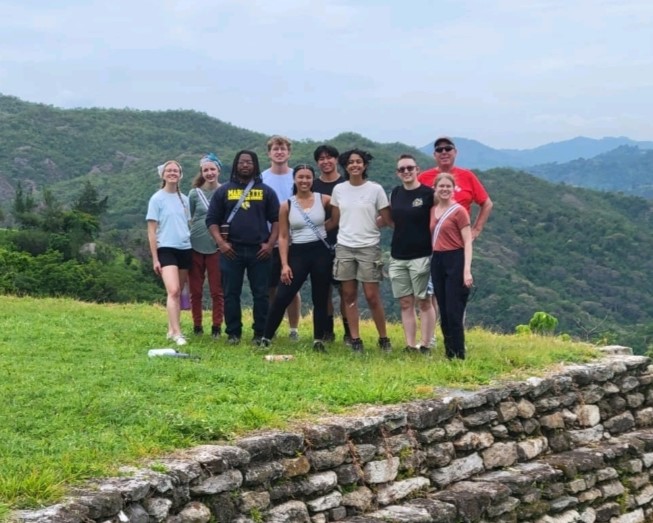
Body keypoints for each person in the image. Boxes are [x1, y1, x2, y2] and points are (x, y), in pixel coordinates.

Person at [206, 151, 280, 345]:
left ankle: (260, 333)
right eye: (241, 162)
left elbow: (277, 220)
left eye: (249, 162)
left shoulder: (266, 191)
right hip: (232, 250)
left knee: (261, 294)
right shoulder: (223, 191)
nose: (245, 165)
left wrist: (270, 244)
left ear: (255, 165)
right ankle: (233, 333)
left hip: (260, 250)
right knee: (231, 293)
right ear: (235, 165)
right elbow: (211, 220)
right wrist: (221, 244)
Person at [261, 165, 334, 352]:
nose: (304, 181)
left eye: (308, 177)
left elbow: (337, 218)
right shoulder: (287, 205)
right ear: (294, 179)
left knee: (320, 297)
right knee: (282, 296)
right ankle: (266, 337)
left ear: (313, 179)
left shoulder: (324, 199)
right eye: (300, 177)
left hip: (320, 253)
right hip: (298, 254)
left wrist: (323, 228)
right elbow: (283, 236)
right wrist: (285, 265)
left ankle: (318, 339)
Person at [330, 149, 392, 353]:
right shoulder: (339, 190)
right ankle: (355, 338)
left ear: (365, 165)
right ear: (345, 166)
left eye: (358, 162)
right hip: (345, 247)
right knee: (348, 295)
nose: (354, 165)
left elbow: (386, 217)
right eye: (350, 162)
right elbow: (336, 219)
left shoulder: (375, 189)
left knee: (372, 295)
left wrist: (374, 225)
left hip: (368, 247)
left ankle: (384, 338)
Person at [387, 154, 436, 353]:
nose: (406, 172)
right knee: (405, 302)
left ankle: (425, 344)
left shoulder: (428, 194)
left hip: (422, 254)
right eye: (402, 169)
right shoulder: (395, 193)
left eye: (409, 168)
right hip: (398, 255)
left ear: (417, 169)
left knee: (424, 300)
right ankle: (410, 345)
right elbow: (390, 219)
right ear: (397, 173)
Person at [146, 160, 191, 346]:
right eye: (169, 170)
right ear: (163, 175)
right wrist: (155, 258)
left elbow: (189, 223)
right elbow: (151, 230)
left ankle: (172, 329)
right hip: (166, 248)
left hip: (185, 249)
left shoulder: (185, 199)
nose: (172, 173)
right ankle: (177, 333)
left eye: (176, 171)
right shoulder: (157, 199)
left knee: (178, 292)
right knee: (172, 290)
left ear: (180, 175)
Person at [261, 135, 301, 341]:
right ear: (269, 153)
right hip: (269, 241)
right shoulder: (261, 178)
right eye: (275, 149)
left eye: (283, 148)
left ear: (289, 152)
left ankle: (294, 329)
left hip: (295, 240)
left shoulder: (298, 176)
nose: (279, 152)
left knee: (292, 287)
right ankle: (272, 327)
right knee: (271, 287)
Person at [430, 172, 474, 360]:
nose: (445, 189)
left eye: (448, 186)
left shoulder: (459, 211)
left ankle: (459, 353)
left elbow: (468, 241)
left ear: (453, 188)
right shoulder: (433, 210)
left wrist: (466, 270)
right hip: (437, 259)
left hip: (455, 259)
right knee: (443, 308)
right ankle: (449, 352)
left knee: (454, 309)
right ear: (436, 188)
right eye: (441, 186)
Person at [312, 144, 351, 344]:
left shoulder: (346, 184)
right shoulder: (313, 185)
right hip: (318, 246)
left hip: (345, 243)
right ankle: (327, 331)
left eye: (329, 157)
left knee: (346, 290)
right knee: (323, 289)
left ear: (336, 160)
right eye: (321, 158)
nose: (326, 161)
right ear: (317, 162)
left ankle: (349, 332)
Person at [417, 136, 493, 240]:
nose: (444, 152)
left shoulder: (467, 176)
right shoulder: (423, 178)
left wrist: (476, 230)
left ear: (455, 152)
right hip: (429, 240)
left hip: (458, 239)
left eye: (448, 149)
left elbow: (487, 204)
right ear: (435, 155)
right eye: (439, 150)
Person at [188, 153, 224, 339]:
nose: (209, 173)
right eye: (205, 170)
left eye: (212, 169)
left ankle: (217, 326)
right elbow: (189, 218)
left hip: (217, 247)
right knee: (195, 290)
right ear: (201, 172)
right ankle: (197, 325)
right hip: (195, 245)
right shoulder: (194, 193)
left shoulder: (225, 191)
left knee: (217, 290)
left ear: (218, 170)